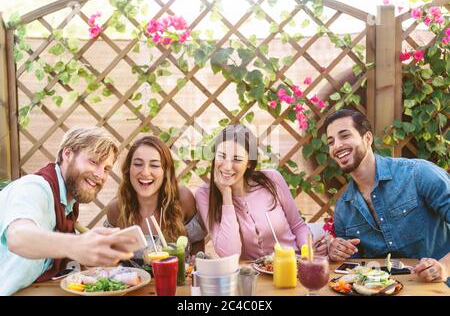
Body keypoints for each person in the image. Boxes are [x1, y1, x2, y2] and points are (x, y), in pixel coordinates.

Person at [0, 128, 137, 296]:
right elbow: (18, 237)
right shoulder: (35, 188)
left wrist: (87, 256)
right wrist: (76, 246)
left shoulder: (68, 205)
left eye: (107, 168)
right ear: (67, 154)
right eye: (93, 162)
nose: (100, 175)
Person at [323, 108, 450, 284]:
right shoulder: (343, 209)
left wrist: (445, 267)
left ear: (367, 138)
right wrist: (337, 251)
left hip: (441, 288)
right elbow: (352, 268)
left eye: (344, 136)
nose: (336, 145)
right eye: (331, 142)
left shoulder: (419, 174)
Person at [195, 124, 328, 260]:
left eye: (237, 159)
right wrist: (226, 195)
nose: (227, 166)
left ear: (249, 163)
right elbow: (230, 254)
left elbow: (298, 226)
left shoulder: (272, 179)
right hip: (253, 277)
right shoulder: (205, 194)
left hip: (294, 266)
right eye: (221, 156)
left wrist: (307, 252)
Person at [104, 136, 207, 259]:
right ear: (128, 169)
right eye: (138, 164)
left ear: (165, 172)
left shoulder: (182, 198)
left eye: (154, 165)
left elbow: (197, 241)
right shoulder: (116, 209)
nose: (145, 172)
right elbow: (110, 256)